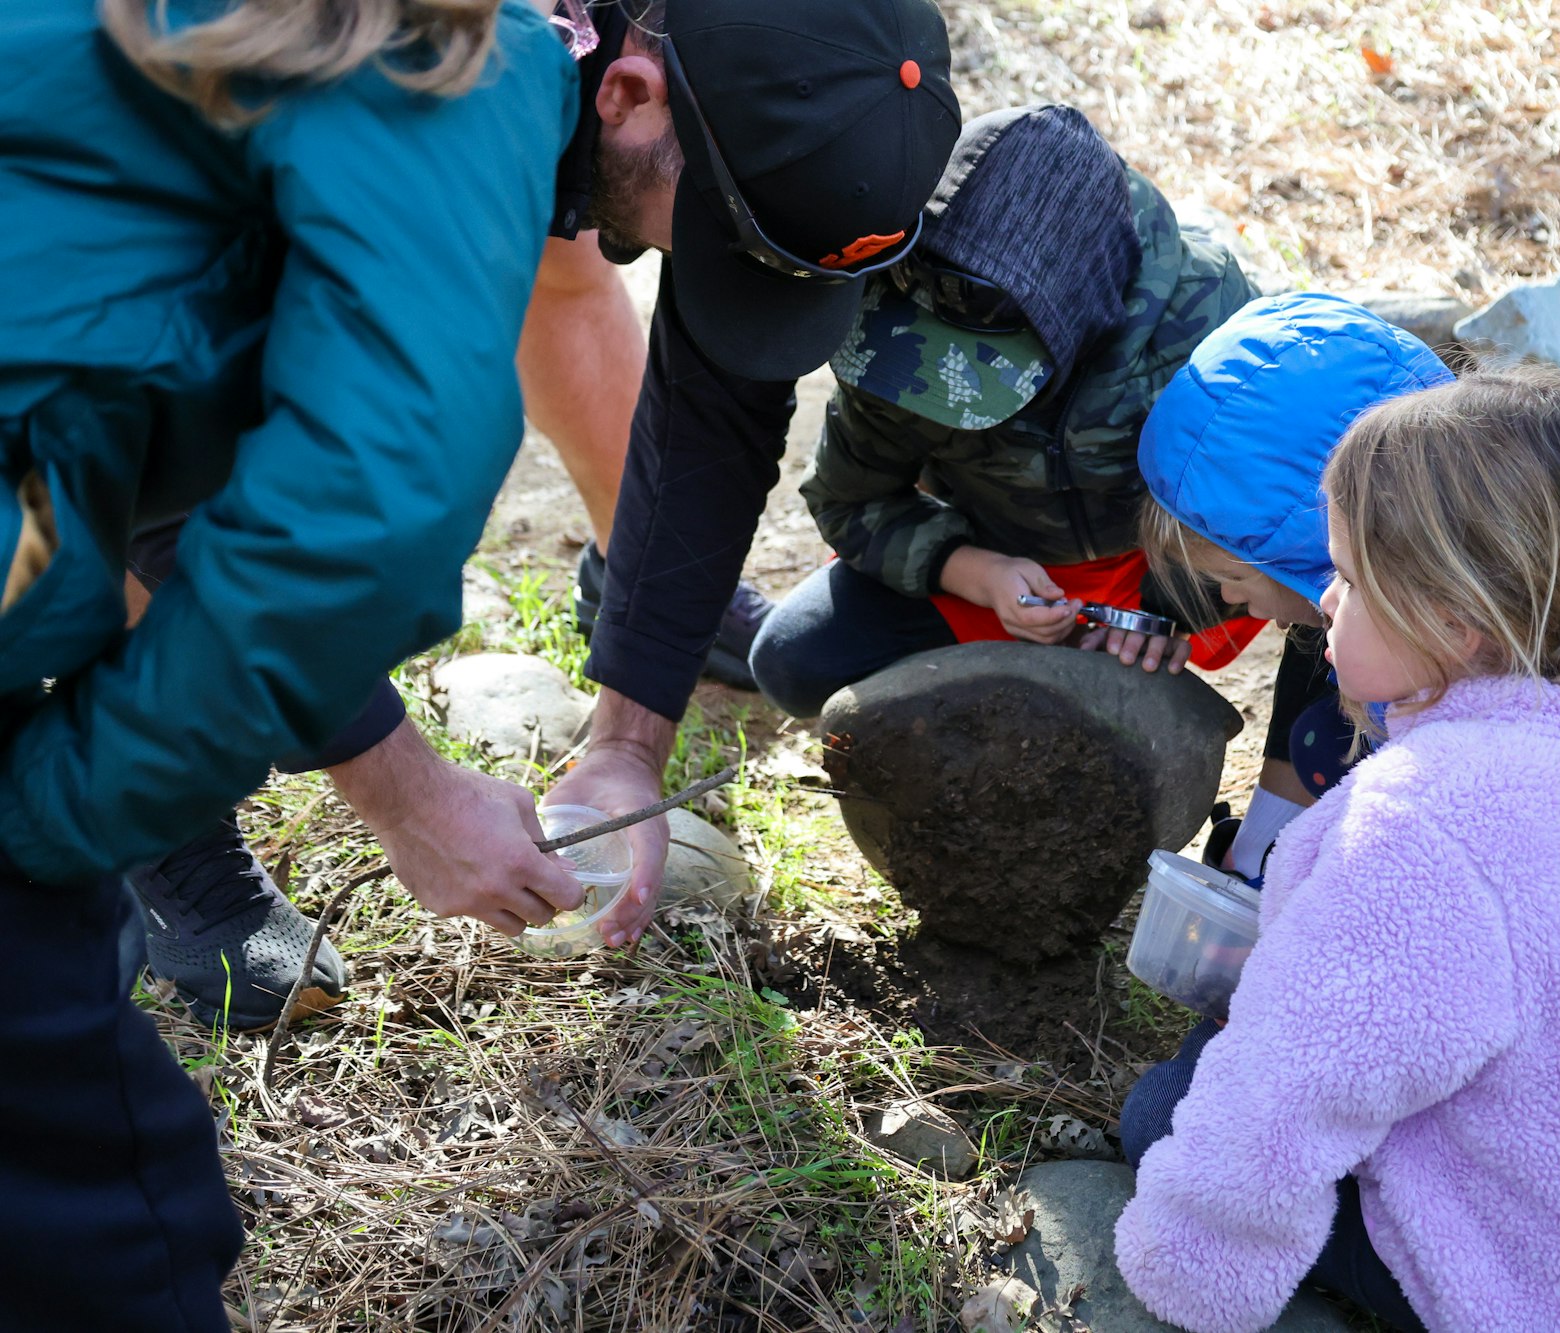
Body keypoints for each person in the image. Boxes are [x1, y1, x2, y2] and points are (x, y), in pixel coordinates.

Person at [120, 0, 964, 1028]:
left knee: (587, 227)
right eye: (718, 237)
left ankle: (633, 587)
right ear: (627, 90)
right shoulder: (374, 107)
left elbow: (719, 384)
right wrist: (409, 797)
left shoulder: (740, 48)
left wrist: (630, 733)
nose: (710, 269)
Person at [0, 0, 578, 1324]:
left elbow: (129, 392)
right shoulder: (461, 62)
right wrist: (52, 818)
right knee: (110, 1213)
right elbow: (353, 521)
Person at [1113, 366, 1560, 1333]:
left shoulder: (1412, 827)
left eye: (1348, 575)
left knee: (1168, 1105)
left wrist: (1187, 1268)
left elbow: (1285, 1097)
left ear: (1453, 617)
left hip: (1547, 1293)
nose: (1328, 599)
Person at [1137, 292, 1560, 885]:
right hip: (1523, 789)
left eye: (1234, 578)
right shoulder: (1412, 591)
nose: (1225, 600)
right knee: (1326, 730)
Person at [748, 103, 1263, 718]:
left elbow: (1278, 508)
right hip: (1004, 565)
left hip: (1166, 561)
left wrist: (1166, 609)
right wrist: (975, 572)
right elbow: (848, 501)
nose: (951, 383)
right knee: (793, 660)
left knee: (1346, 603)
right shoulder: (895, 331)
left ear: (1081, 306)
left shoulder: (1206, 319)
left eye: (987, 366)